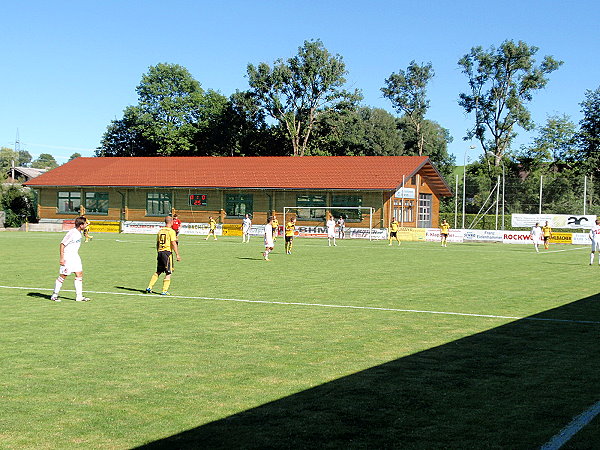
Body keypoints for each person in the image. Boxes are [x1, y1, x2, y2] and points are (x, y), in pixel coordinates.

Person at [50, 216, 90, 302]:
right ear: (81, 225)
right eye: (85, 224)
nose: (87, 225)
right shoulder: (72, 233)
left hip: (75, 256)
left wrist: (85, 233)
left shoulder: (79, 232)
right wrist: (62, 258)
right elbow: (62, 244)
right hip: (68, 257)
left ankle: (79, 296)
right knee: (63, 276)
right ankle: (54, 295)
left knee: (79, 274)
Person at [146, 216, 181, 295]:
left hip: (160, 252)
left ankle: (149, 287)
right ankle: (164, 290)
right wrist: (177, 254)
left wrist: (158, 251)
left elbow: (157, 243)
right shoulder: (171, 231)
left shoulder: (160, 231)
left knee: (158, 271)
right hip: (167, 253)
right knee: (168, 272)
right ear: (171, 222)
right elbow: (173, 243)